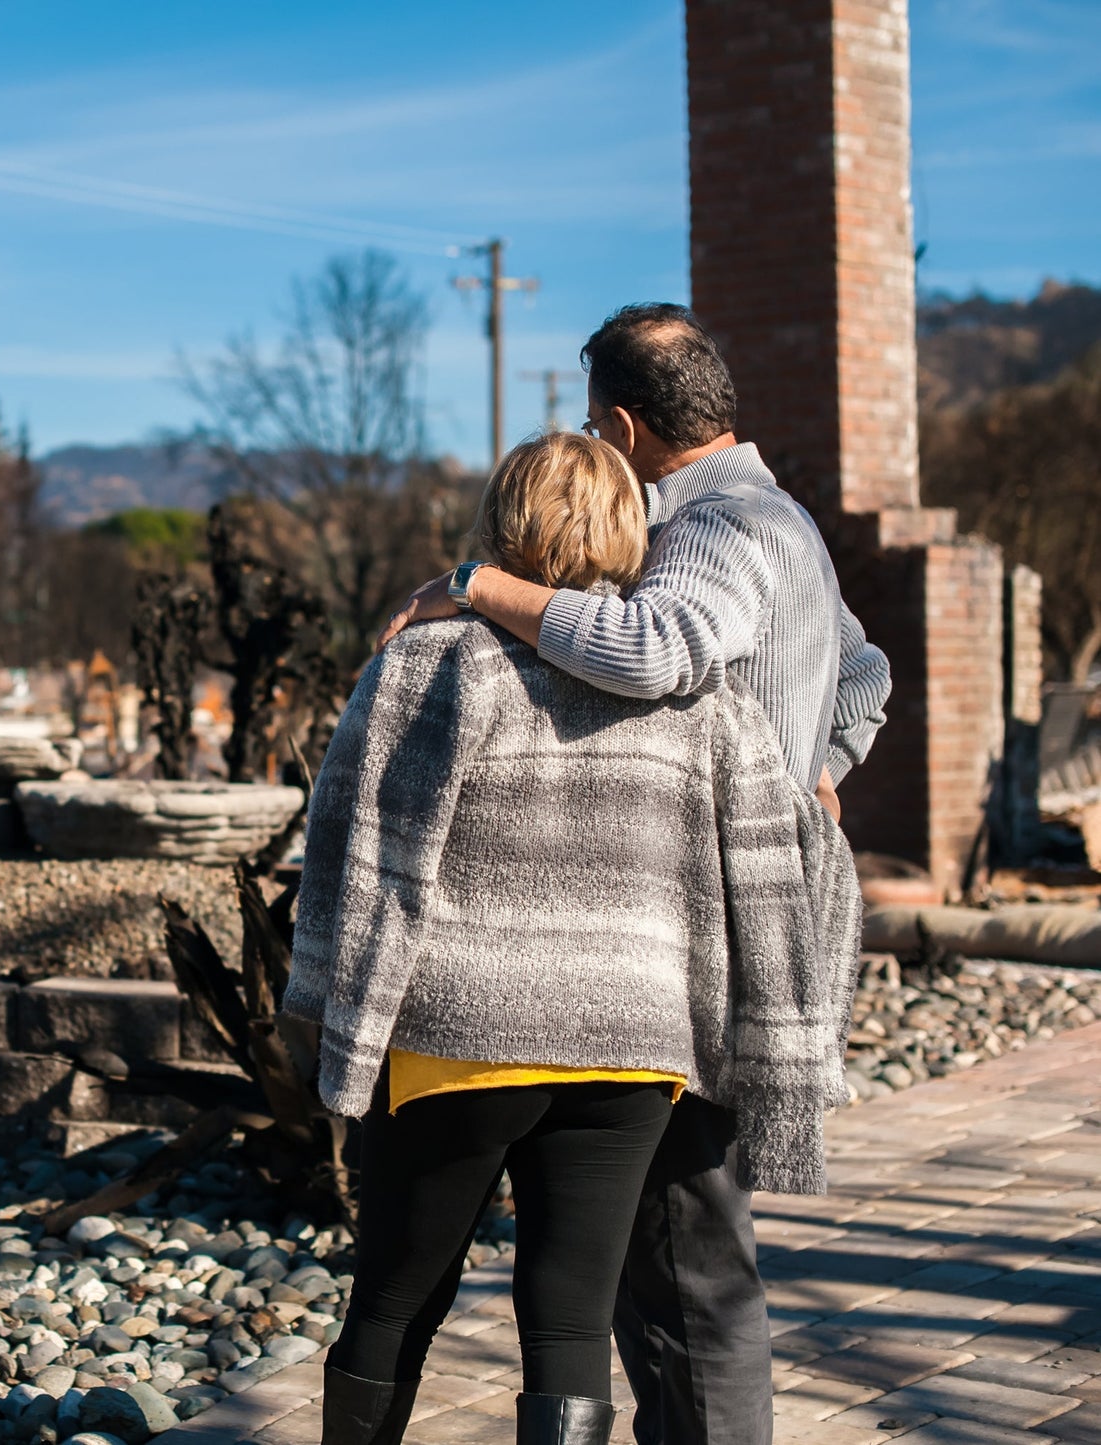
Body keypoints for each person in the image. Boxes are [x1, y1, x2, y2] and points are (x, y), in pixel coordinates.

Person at [379, 303, 892, 1445]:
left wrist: (478, 585)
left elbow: (654, 651)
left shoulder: (712, 531)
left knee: (680, 1250)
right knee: (674, 1241)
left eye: (586, 420)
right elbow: (862, 670)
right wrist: (817, 767)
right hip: (731, 895)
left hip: (709, 911)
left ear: (618, 421)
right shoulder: (782, 519)